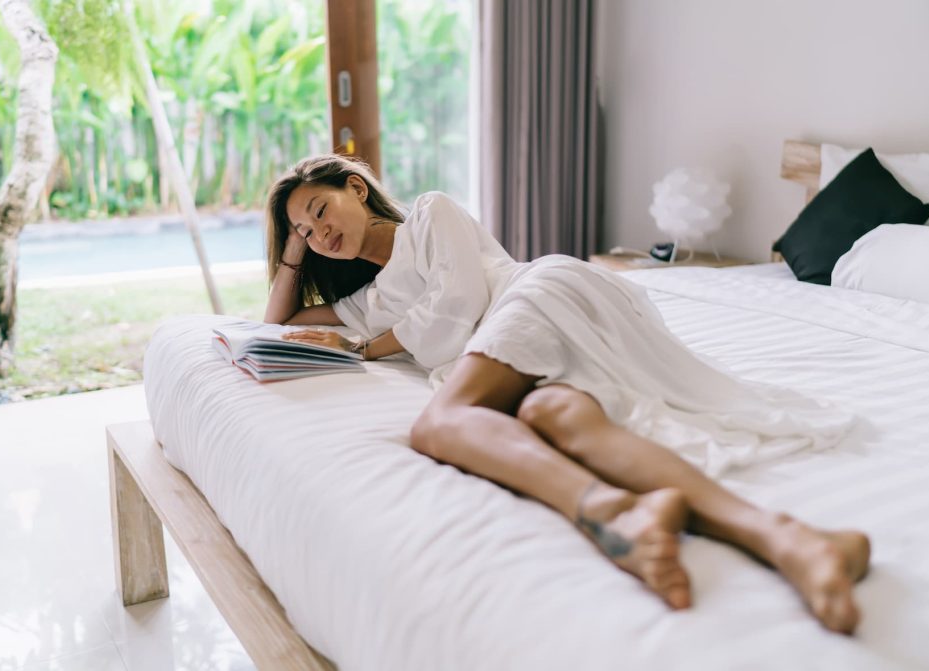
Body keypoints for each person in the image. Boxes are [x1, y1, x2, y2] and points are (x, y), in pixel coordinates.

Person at [263, 154, 872, 635]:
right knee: (554, 415)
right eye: (305, 230)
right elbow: (278, 321)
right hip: (515, 356)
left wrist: (369, 348)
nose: (319, 231)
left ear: (357, 189)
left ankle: (613, 512)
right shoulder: (366, 301)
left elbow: (455, 310)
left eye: (320, 209)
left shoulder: (429, 214)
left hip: (540, 296)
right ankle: (794, 540)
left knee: (439, 424)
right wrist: (291, 248)